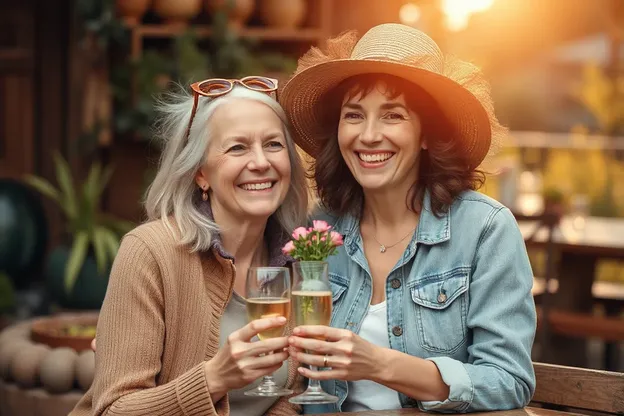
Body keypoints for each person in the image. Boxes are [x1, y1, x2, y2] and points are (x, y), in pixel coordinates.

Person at [280, 24, 537, 413]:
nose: (368, 135)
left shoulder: (485, 230)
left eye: (392, 115)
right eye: (354, 115)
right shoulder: (318, 231)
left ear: (426, 134)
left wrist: (381, 364)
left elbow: (509, 380)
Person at [71, 77, 308, 416]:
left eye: (273, 144)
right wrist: (214, 379)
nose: (260, 162)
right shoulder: (149, 252)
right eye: (237, 147)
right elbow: (114, 409)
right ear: (201, 174)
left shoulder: (297, 260)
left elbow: (291, 394)